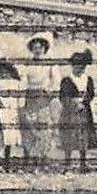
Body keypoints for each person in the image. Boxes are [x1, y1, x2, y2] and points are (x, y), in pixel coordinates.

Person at [17, 33, 58, 171]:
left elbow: (56, 82)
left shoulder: (51, 63)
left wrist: (49, 92)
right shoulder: (27, 64)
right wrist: (22, 99)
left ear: (45, 48)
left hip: (43, 99)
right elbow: (23, 81)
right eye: (35, 48)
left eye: (40, 47)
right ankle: (28, 159)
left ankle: (41, 160)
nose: (37, 50)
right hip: (30, 98)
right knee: (29, 128)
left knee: (43, 128)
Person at [59, 49, 97, 172]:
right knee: (69, 135)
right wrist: (73, 104)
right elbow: (63, 96)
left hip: (84, 110)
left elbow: (91, 94)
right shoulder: (67, 80)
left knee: (83, 136)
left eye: (82, 65)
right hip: (70, 111)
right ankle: (68, 162)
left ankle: (83, 162)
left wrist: (84, 103)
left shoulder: (88, 79)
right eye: (76, 65)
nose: (79, 68)